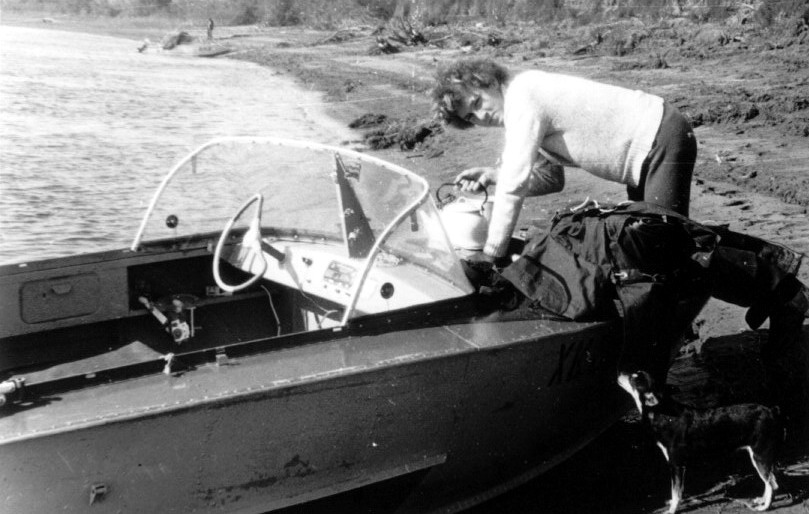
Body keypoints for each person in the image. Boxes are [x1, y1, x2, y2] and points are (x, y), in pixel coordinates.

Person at [431, 58, 697, 264]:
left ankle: (722, 276)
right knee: (649, 242)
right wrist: (493, 176)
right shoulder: (521, 114)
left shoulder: (523, 97)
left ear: (488, 81)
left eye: (477, 102)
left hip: (658, 135)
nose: (481, 116)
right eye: (470, 117)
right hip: (646, 150)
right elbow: (551, 179)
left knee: (664, 244)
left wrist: (492, 253)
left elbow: (514, 185)